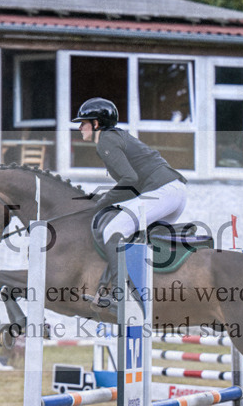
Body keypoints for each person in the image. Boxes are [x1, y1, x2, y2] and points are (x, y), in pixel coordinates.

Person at [72, 97, 188, 310]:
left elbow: (129, 181)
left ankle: (121, 296)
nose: (79, 127)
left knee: (113, 229)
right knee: (128, 233)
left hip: (163, 191)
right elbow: (132, 185)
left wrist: (102, 202)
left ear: (96, 124)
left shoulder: (106, 139)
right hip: (173, 192)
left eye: (83, 122)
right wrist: (103, 200)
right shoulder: (116, 137)